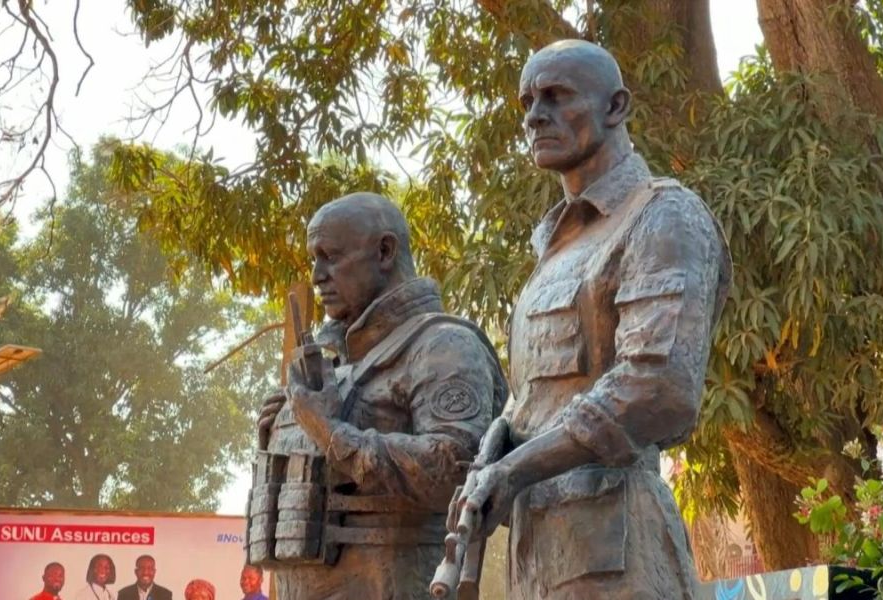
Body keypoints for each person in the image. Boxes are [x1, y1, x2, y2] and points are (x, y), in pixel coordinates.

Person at [459, 40, 732, 599]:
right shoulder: (557, 251)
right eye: (528, 101)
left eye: (557, 96)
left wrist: (516, 470)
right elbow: (538, 394)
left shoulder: (662, 216)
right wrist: (500, 439)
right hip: (539, 555)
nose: (536, 115)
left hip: (620, 554)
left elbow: (656, 387)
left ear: (615, 107)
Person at [256, 192, 507, 598]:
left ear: (385, 251)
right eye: (314, 259)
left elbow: (456, 471)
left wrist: (330, 433)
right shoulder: (331, 361)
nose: (317, 274)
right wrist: (282, 432)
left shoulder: (444, 346)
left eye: (330, 256)